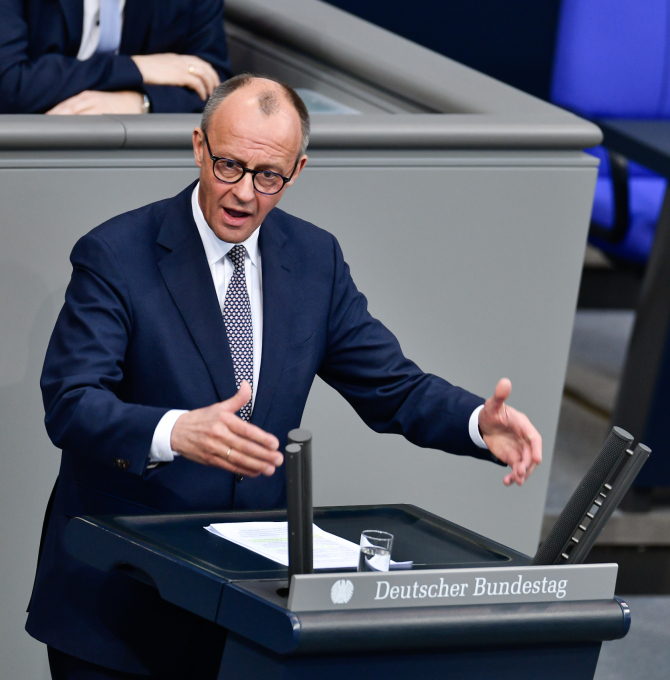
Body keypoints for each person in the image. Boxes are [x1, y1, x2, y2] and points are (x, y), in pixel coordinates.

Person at [27, 74, 543, 678]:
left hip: (247, 611)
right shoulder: (117, 253)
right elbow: (71, 401)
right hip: (122, 604)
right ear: (198, 147)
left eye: (267, 176)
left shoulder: (315, 260)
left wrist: (477, 422)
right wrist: (173, 432)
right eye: (228, 166)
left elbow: (391, 384)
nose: (244, 193)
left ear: (296, 171)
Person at [0, 0, 232, 114]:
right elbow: (9, 84)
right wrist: (137, 67)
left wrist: (137, 101)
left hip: (137, 150)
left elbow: (215, 84)